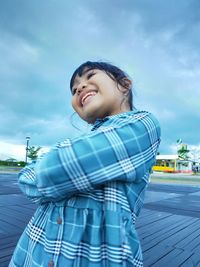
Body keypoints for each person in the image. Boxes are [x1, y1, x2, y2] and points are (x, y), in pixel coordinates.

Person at [9, 61, 161, 267]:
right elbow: (25, 179)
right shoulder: (88, 141)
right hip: (33, 254)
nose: (80, 87)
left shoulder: (142, 123)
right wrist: (57, 168)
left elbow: (52, 169)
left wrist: (49, 167)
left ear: (124, 84)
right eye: (74, 89)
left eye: (90, 76)